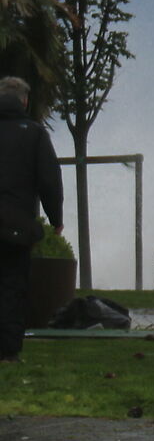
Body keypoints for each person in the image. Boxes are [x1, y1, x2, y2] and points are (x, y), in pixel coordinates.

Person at [0, 75, 64, 362]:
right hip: (16, 226)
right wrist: (55, 217)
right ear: (25, 102)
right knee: (13, 286)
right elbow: (49, 180)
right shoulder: (35, 133)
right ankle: (9, 351)